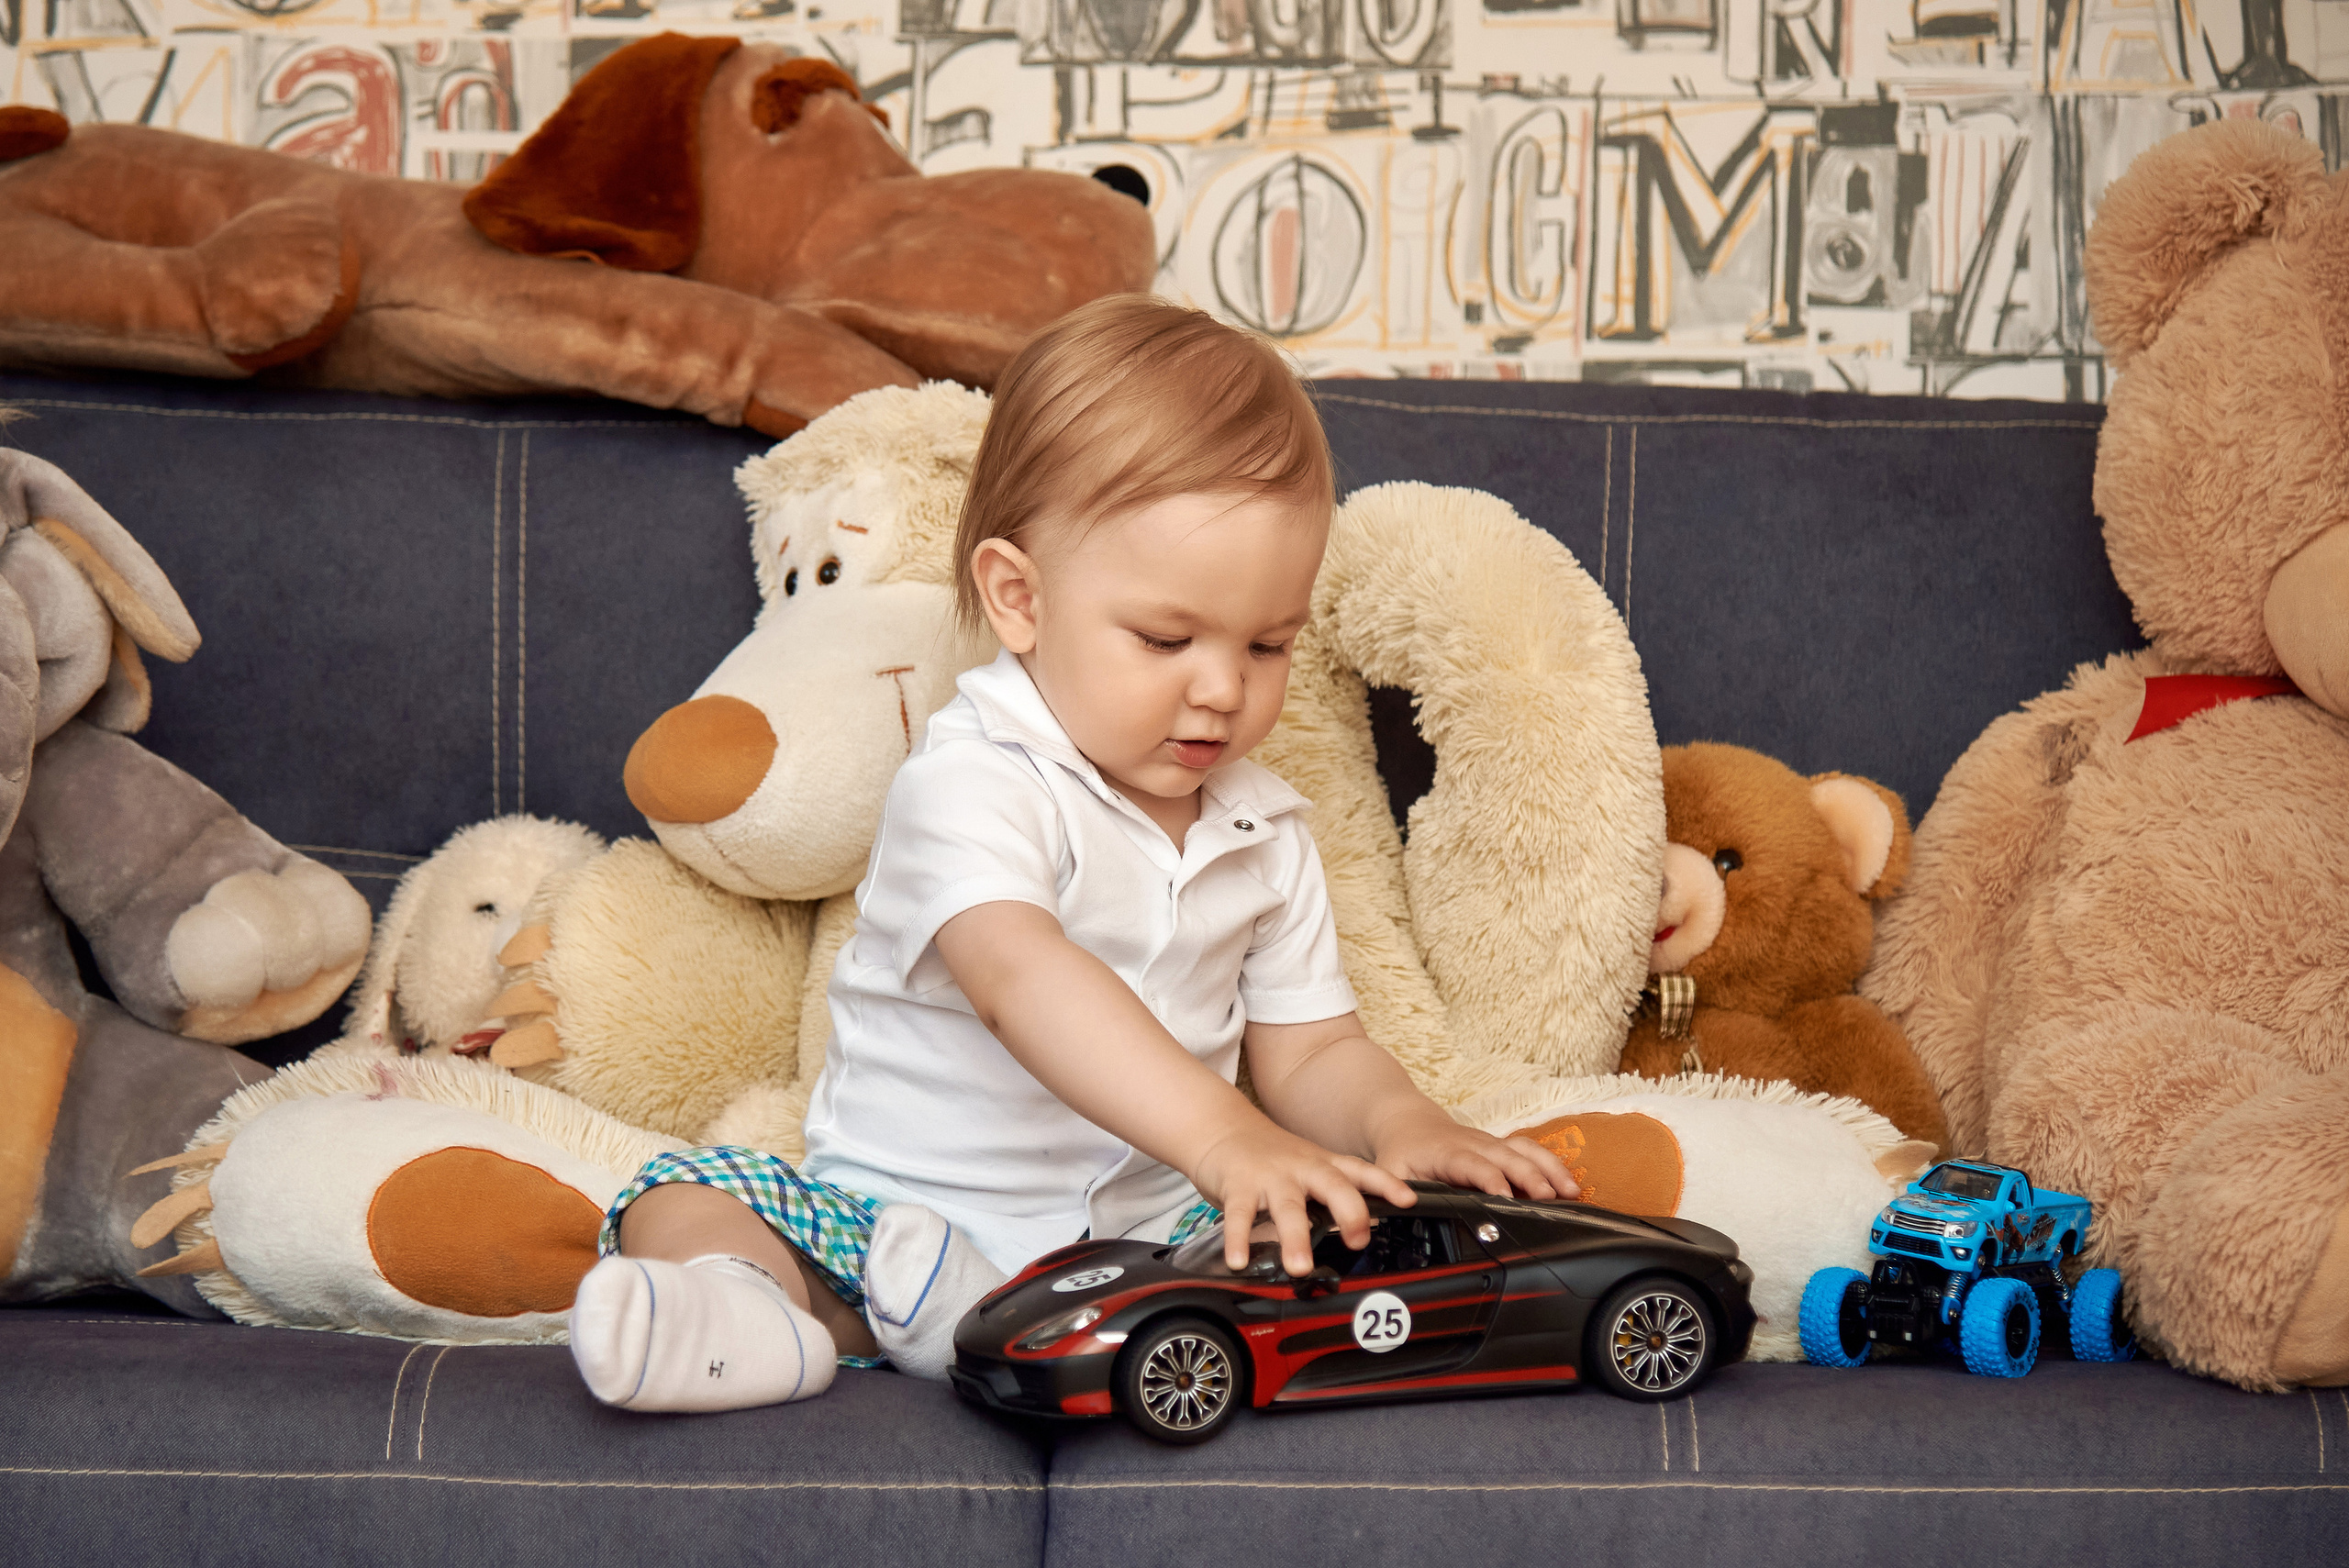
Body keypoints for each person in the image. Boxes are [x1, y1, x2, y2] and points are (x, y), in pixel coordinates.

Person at [566, 296, 1575, 1412]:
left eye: (1267, 643)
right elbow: (1021, 977)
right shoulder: (972, 777)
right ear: (1020, 598)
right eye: (1164, 637)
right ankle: (744, 1311)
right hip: (894, 1222)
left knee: (1330, 1233)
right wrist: (1224, 1134)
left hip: (1148, 1249)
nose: (1222, 687)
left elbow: (1314, 1049)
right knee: (685, 1190)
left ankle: (976, 1320)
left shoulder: (1266, 831)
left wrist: (1405, 1124)